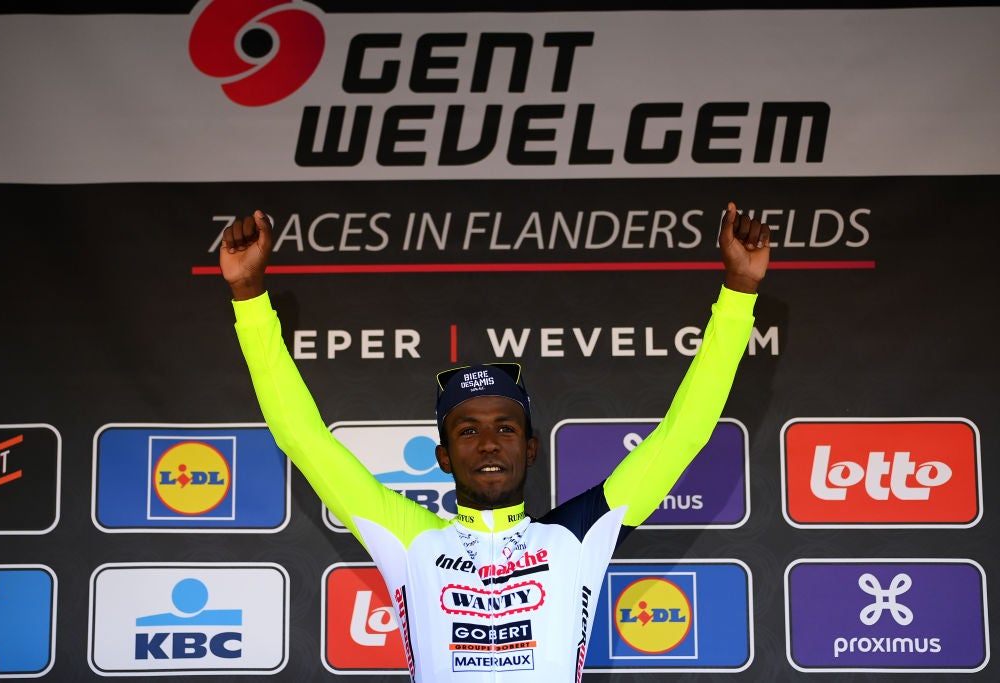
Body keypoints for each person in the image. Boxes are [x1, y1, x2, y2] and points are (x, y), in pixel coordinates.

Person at [221, 202, 770, 682]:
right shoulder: (410, 540)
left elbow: (685, 432)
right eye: (468, 431)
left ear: (531, 448)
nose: (488, 444)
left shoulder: (578, 536)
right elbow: (302, 437)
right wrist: (248, 296)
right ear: (443, 457)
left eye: (505, 428)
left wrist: (739, 293)